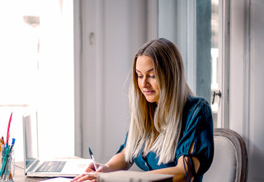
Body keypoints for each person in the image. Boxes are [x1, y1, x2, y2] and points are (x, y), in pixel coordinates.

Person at [72, 38, 214, 182]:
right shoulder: (148, 108)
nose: (143, 84)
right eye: (139, 75)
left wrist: (130, 178)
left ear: (171, 76)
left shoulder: (196, 111)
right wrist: (106, 169)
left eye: (152, 76)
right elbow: (128, 152)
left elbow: (184, 172)